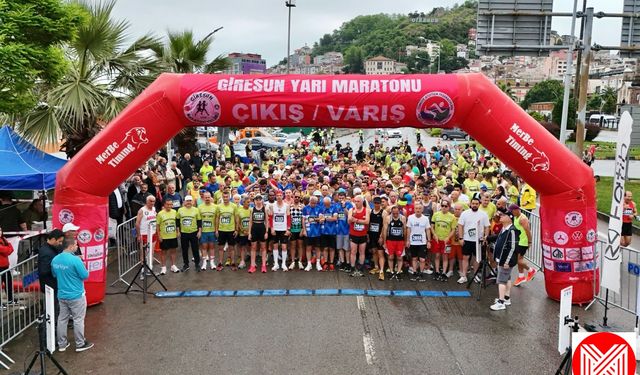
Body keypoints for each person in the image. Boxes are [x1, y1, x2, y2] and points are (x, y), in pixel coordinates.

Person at [52, 238, 93, 352]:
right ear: (70, 247)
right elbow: (85, 275)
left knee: (62, 319)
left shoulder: (55, 259)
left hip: (62, 294)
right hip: (76, 295)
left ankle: (62, 344)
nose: (77, 247)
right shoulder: (75, 260)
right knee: (78, 319)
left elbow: (54, 274)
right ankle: (80, 344)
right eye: (75, 245)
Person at [489, 208, 519, 311]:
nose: (500, 216)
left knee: (501, 281)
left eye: (503, 215)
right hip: (501, 258)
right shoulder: (505, 228)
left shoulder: (512, 230)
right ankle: (506, 298)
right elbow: (498, 238)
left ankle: (501, 302)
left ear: (509, 218)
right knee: (507, 278)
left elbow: (513, 247)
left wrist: (507, 261)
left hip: (505, 260)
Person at [457, 197, 490, 284]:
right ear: (470, 204)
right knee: (465, 258)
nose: (474, 205)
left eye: (476, 204)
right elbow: (460, 226)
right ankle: (464, 276)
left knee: (477, 259)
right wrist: (460, 238)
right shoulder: (464, 213)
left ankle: (475, 275)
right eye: (473, 203)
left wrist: (485, 238)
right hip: (467, 240)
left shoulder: (484, 214)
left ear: (479, 204)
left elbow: (487, 226)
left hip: (478, 241)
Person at [510, 204, 537, 286]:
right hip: (518, 241)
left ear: (516, 210)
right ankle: (521, 277)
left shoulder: (523, 219)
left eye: (512, 211)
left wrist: (529, 242)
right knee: (519, 260)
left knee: (519, 260)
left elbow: (528, 231)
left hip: (523, 242)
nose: (511, 212)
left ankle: (531, 270)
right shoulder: (515, 217)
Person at [431, 199, 456, 282]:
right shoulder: (436, 214)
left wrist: (448, 237)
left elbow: (453, 229)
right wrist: (434, 235)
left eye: (446, 206)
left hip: (446, 240)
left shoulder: (452, 217)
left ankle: (444, 272)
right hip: (437, 239)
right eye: (442, 206)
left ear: (449, 207)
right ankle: (437, 271)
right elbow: (432, 226)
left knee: (445, 256)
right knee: (437, 255)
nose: (444, 208)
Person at [406, 202, 431, 282]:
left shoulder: (425, 218)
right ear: (414, 209)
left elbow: (427, 230)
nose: (418, 210)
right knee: (414, 258)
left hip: (422, 242)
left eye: (420, 208)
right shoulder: (410, 217)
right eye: (416, 208)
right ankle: (414, 272)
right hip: (413, 242)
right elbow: (408, 229)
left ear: (422, 209)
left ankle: (421, 272)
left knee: (422, 259)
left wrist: (429, 241)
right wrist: (408, 240)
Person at [215, 190, 238, 271]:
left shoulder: (234, 206)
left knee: (231, 247)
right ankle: (220, 263)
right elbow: (217, 218)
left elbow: (236, 218)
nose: (225, 198)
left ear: (229, 197)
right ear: (222, 197)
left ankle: (233, 262)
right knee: (221, 247)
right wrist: (216, 230)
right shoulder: (218, 206)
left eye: (227, 197)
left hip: (231, 230)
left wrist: (236, 229)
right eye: (224, 197)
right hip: (221, 230)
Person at [177, 195, 202, 272]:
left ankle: (197, 264)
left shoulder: (196, 210)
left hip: (194, 232)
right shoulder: (180, 210)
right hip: (184, 233)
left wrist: (199, 231)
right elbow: (177, 221)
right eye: (187, 201)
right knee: (184, 249)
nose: (189, 202)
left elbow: (199, 221)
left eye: (190, 201)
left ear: (192, 202)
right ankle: (186, 264)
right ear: (184, 202)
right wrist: (178, 231)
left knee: (195, 249)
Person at [381, 205, 405, 280]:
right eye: (393, 213)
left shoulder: (403, 218)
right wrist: (384, 242)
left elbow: (405, 230)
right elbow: (384, 230)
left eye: (396, 213)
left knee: (400, 257)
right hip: (390, 240)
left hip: (400, 241)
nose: (395, 215)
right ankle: (391, 271)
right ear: (391, 212)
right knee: (390, 257)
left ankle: (398, 272)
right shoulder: (388, 218)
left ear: (399, 212)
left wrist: (406, 240)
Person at [156, 198, 180, 274]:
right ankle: (163, 267)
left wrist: (178, 231)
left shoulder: (174, 212)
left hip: (173, 235)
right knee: (163, 252)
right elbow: (157, 225)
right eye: (167, 204)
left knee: (173, 251)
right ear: (164, 205)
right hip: (164, 236)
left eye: (171, 204)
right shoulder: (160, 213)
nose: (169, 206)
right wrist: (159, 235)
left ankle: (173, 266)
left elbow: (176, 223)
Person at [268, 190, 290, 271]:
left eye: (280, 195)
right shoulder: (272, 206)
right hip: (275, 229)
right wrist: (272, 228)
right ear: (275, 197)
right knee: (275, 246)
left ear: (282, 196)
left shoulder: (286, 206)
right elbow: (270, 218)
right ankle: (276, 263)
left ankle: (283, 263)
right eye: (277, 195)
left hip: (283, 229)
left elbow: (288, 218)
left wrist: (288, 228)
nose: (279, 197)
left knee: (284, 246)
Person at [348, 195, 369, 277]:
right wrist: (353, 215)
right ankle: (352, 268)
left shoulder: (366, 210)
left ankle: (360, 268)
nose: (356, 203)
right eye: (355, 201)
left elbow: (367, 221)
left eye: (358, 201)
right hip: (353, 234)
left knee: (362, 252)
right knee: (353, 251)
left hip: (362, 234)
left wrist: (356, 220)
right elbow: (349, 221)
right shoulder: (351, 210)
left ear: (362, 202)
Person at [135, 195, 156, 275]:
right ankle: (143, 269)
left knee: (151, 252)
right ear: (147, 201)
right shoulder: (142, 210)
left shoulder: (154, 209)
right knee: (143, 253)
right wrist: (138, 235)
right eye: (150, 201)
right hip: (144, 234)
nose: (152, 203)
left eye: (153, 201)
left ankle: (150, 267)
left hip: (152, 233)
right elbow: (137, 223)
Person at [248, 194, 269, 273]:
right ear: (255, 201)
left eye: (260, 199)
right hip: (254, 228)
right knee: (253, 247)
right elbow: (250, 222)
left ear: (262, 200)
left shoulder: (265, 209)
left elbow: (267, 221)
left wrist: (266, 232)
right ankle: (252, 265)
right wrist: (249, 233)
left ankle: (263, 265)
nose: (258, 201)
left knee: (263, 247)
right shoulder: (252, 209)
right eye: (257, 200)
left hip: (262, 228)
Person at [302, 195, 323, 272]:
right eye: (312, 203)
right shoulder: (305, 208)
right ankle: (309, 264)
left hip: (317, 232)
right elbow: (303, 220)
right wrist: (304, 230)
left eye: (315, 203)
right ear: (309, 202)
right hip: (308, 231)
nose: (313, 204)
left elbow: (321, 219)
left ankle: (318, 263)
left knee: (317, 248)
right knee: (308, 248)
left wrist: (315, 219)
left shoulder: (319, 208)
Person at [198, 192, 217, 270]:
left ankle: (212, 262)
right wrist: (199, 231)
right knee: (204, 247)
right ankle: (204, 262)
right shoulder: (199, 207)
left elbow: (216, 219)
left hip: (212, 230)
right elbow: (199, 220)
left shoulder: (215, 207)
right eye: (206, 197)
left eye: (208, 197)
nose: (207, 199)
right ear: (203, 198)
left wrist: (216, 230)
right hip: (203, 231)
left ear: (211, 197)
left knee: (212, 247)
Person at [0, 226, 18, 307]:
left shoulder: (3, 239)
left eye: (0, 230)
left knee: (8, 283)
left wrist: (7, 247)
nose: (0, 232)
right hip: (0, 267)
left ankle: (10, 299)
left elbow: (11, 249)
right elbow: (6, 250)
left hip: (5, 266)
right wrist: (8, 247)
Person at [319, 196, 338, 271]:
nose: (326, 205)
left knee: (332, 248)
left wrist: (325, 219)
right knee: (325, 248)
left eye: (327, 204)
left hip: (332, 231)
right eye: (325, 204)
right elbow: (320, 219)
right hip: (324, 231)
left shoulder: (334, 208)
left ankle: (331, 263)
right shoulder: (321, 208)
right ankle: (325, 262)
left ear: (330, 203)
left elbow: (335, 218)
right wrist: (321, 219)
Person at [367, 197, 384, 276]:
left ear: (380, 204)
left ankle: (381, 269)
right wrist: (367, 234)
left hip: (379, 235)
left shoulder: (383, 212)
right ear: (373, 203)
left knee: (380, 253)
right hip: (372, 235)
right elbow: (368, 224)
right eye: (375, 203)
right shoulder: (371, 211)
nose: (376, 205)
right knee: (374, 251)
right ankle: (376, 266)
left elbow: (385, 226)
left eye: (378, 203)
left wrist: (381, 236)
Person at [287, 191, 305, 270]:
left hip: (299, 229)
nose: (297, 198)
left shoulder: (302, 206)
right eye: (295, 197)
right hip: (292, 230)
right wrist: (288, 229)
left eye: (298, 197)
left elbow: (303, 219)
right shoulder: (289, 206)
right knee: (293, 246)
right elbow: (288, 219)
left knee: (300, 246)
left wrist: (302, 229)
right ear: (293, 197)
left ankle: (300, 261)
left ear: (300, 198)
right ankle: (293, 261)